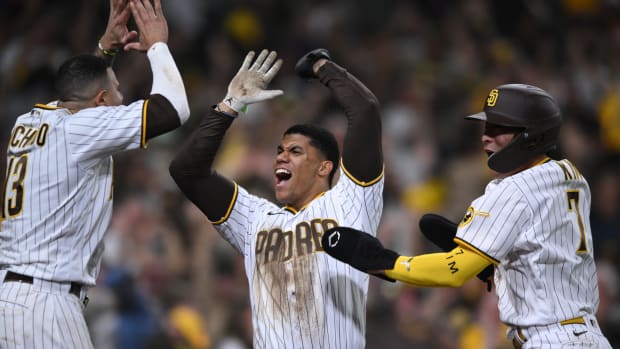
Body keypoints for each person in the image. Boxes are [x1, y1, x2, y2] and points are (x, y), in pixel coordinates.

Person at [322, 84, 613, 348]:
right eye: (487, 126)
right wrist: (493, 265)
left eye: (500, 128)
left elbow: (454, 271)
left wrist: (383, 261)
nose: (486, 136)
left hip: (551, 340)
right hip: (588, 338)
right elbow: (545, 251)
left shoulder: (512, 189)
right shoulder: (571, 176)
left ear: (530, 135)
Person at [0, 0, 189, 347]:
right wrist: (159, 45)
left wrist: (104, 49)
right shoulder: (83, 128)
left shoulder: (27, 121)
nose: (122, 98)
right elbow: (175, 108)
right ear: (101, 100)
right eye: (117, 91)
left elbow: (80, 92)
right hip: (46, 304)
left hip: (11, 296)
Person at [169, 48, 384, 348]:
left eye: (295, 152)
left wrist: (321, 66)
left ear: (325, 167)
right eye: (279, 152)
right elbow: (186, 172)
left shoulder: (350, 201)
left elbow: (365, 110)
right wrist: (230, 106)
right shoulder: (256, 217)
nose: (281, 158)